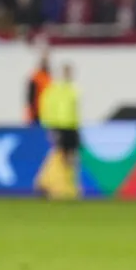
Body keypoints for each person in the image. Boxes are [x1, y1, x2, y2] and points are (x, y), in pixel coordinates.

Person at [38, 63, 81, 201]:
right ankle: (49, 185)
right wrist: (50, 127)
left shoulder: (73, 90)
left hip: (72, 126)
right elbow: (46, 109)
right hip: (59, 126)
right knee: (60, 156)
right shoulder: (53, 90)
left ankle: (69, 187)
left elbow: (74, 111)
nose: (69, 75)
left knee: (71, 157)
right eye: (66, 72)